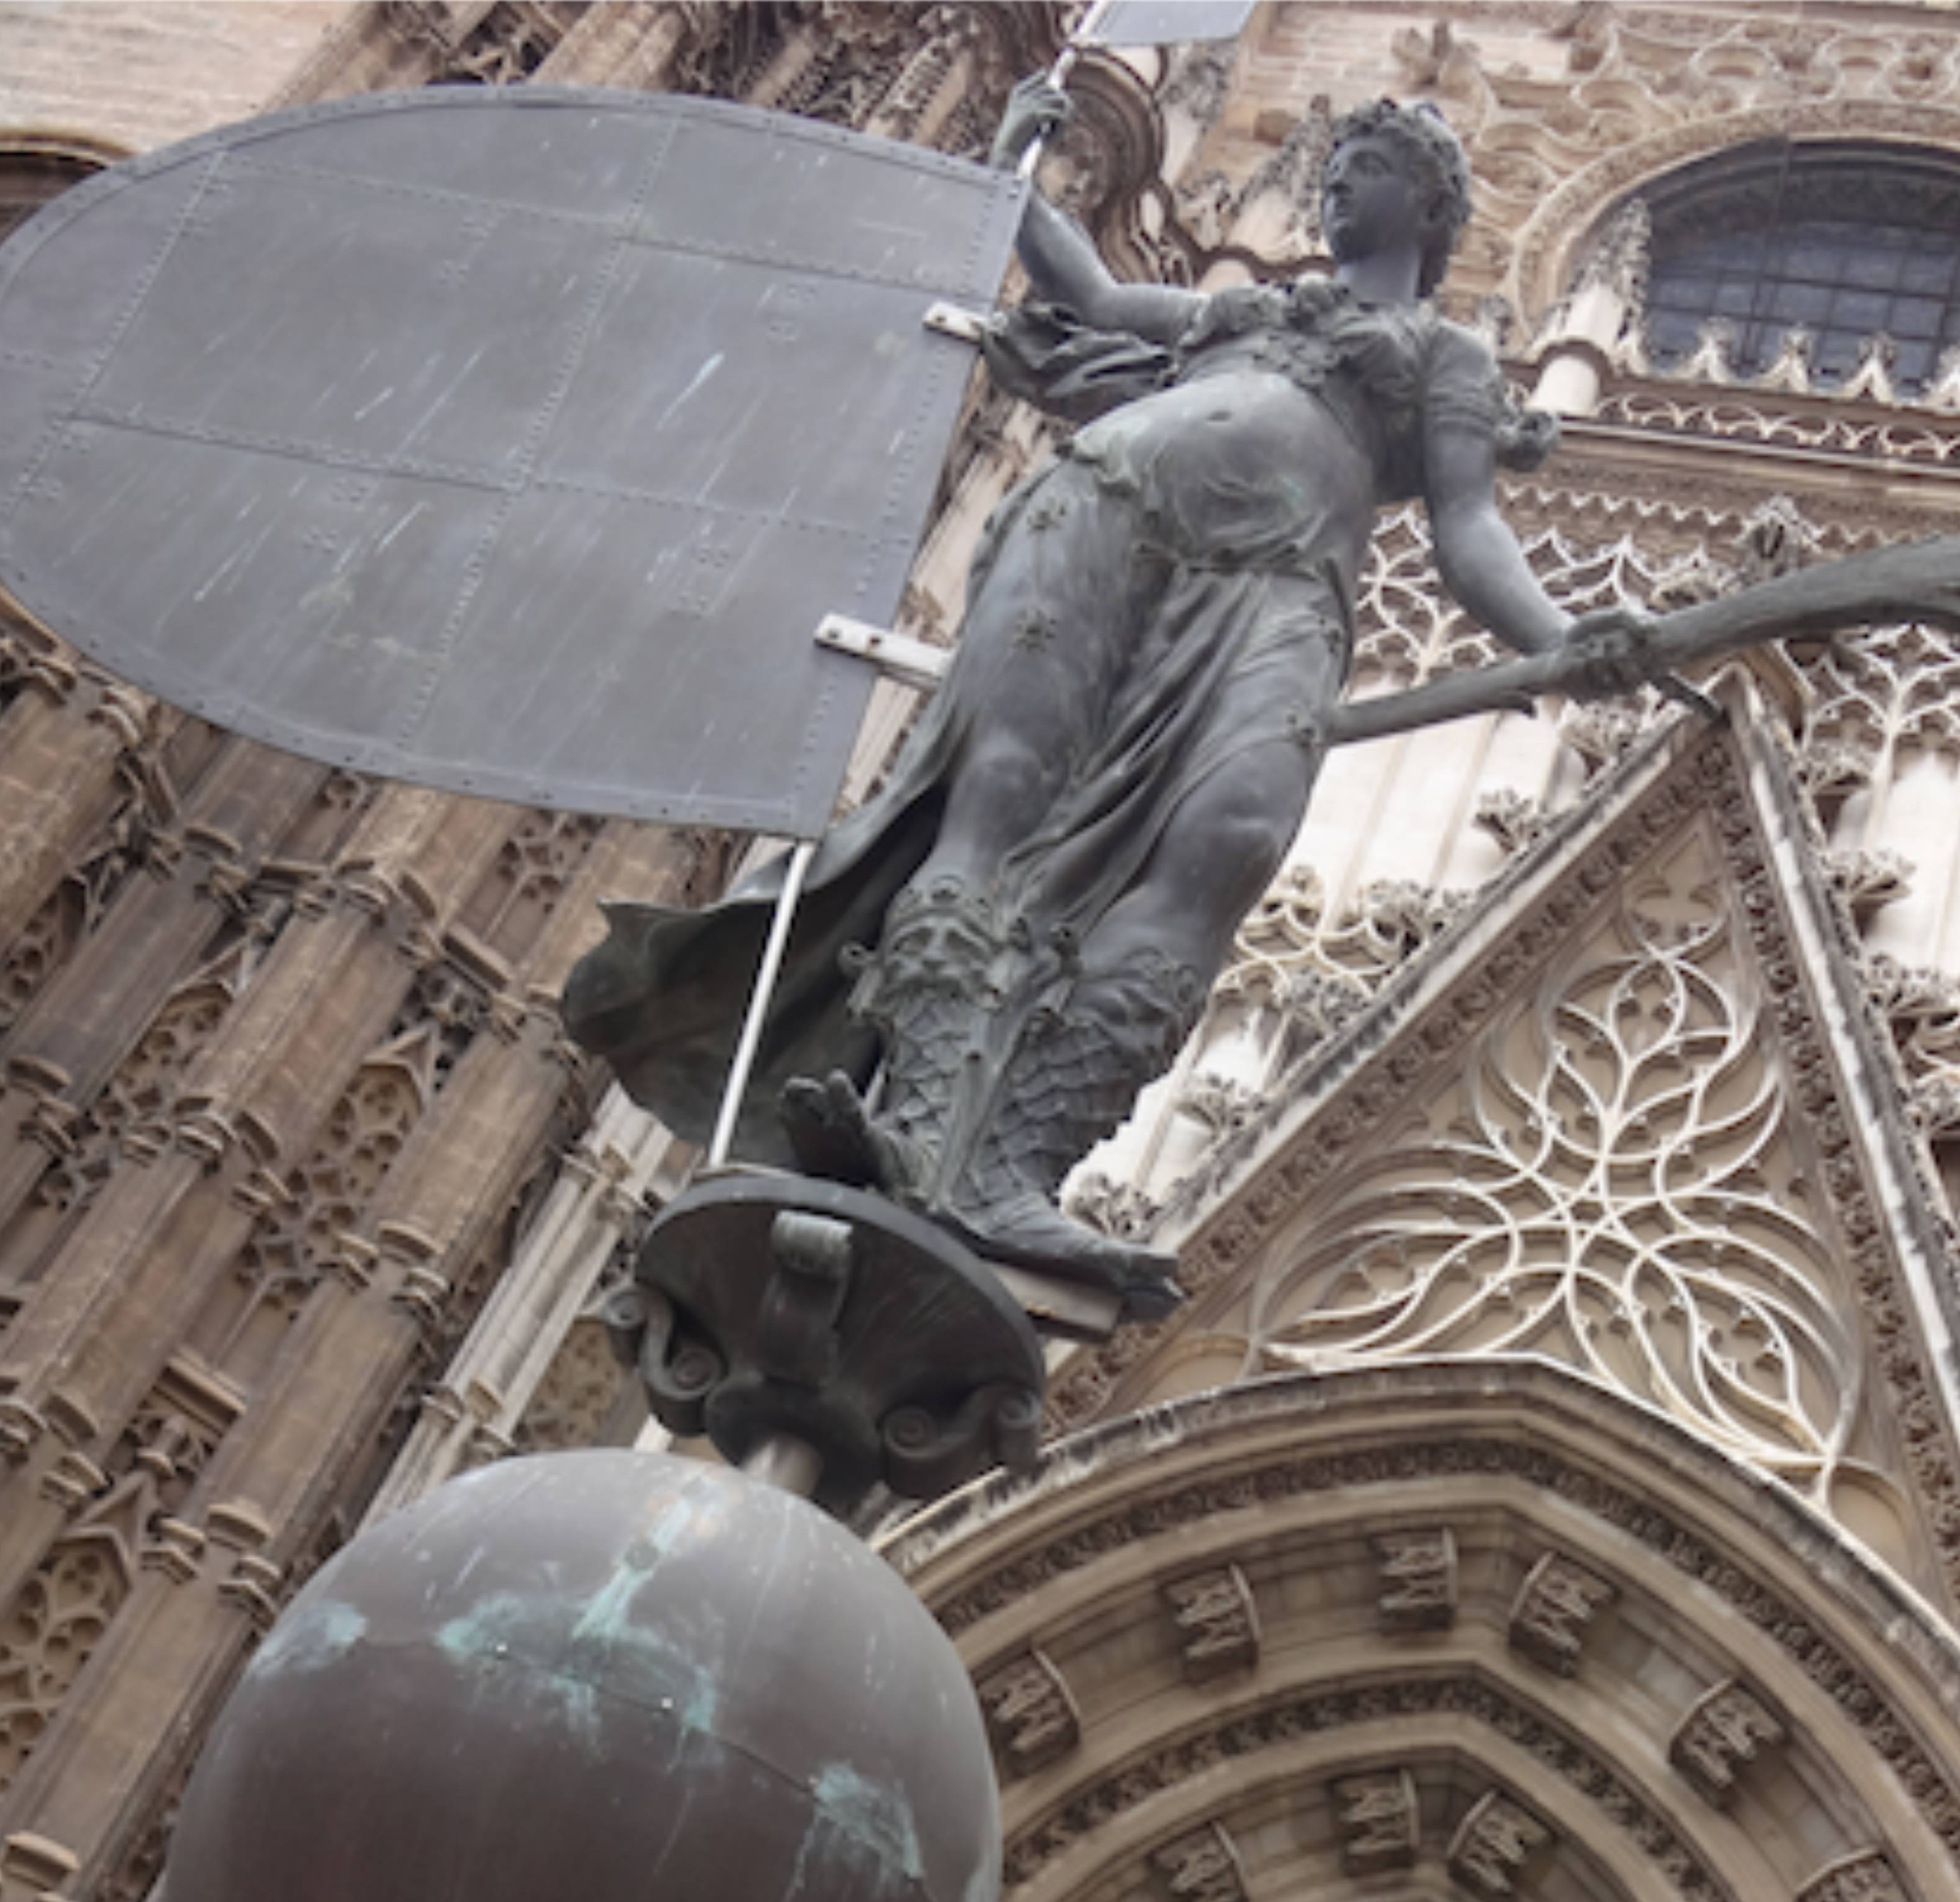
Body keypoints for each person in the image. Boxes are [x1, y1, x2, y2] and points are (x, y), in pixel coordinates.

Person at [563, 81, 1653, 1315]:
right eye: (1332, 160)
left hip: (1282, 589)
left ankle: (1015, 1161)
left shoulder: (1445, 356)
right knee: (1000, 801)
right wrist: (1023, 165)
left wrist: (1565, 639)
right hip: (1104, 508)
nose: (1335, 182)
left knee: (1228, 840)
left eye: (1363, 165)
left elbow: (1468, 529)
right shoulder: (1251, 304)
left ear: (1427, 200)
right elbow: (1088, 296)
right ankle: (923, 1120)